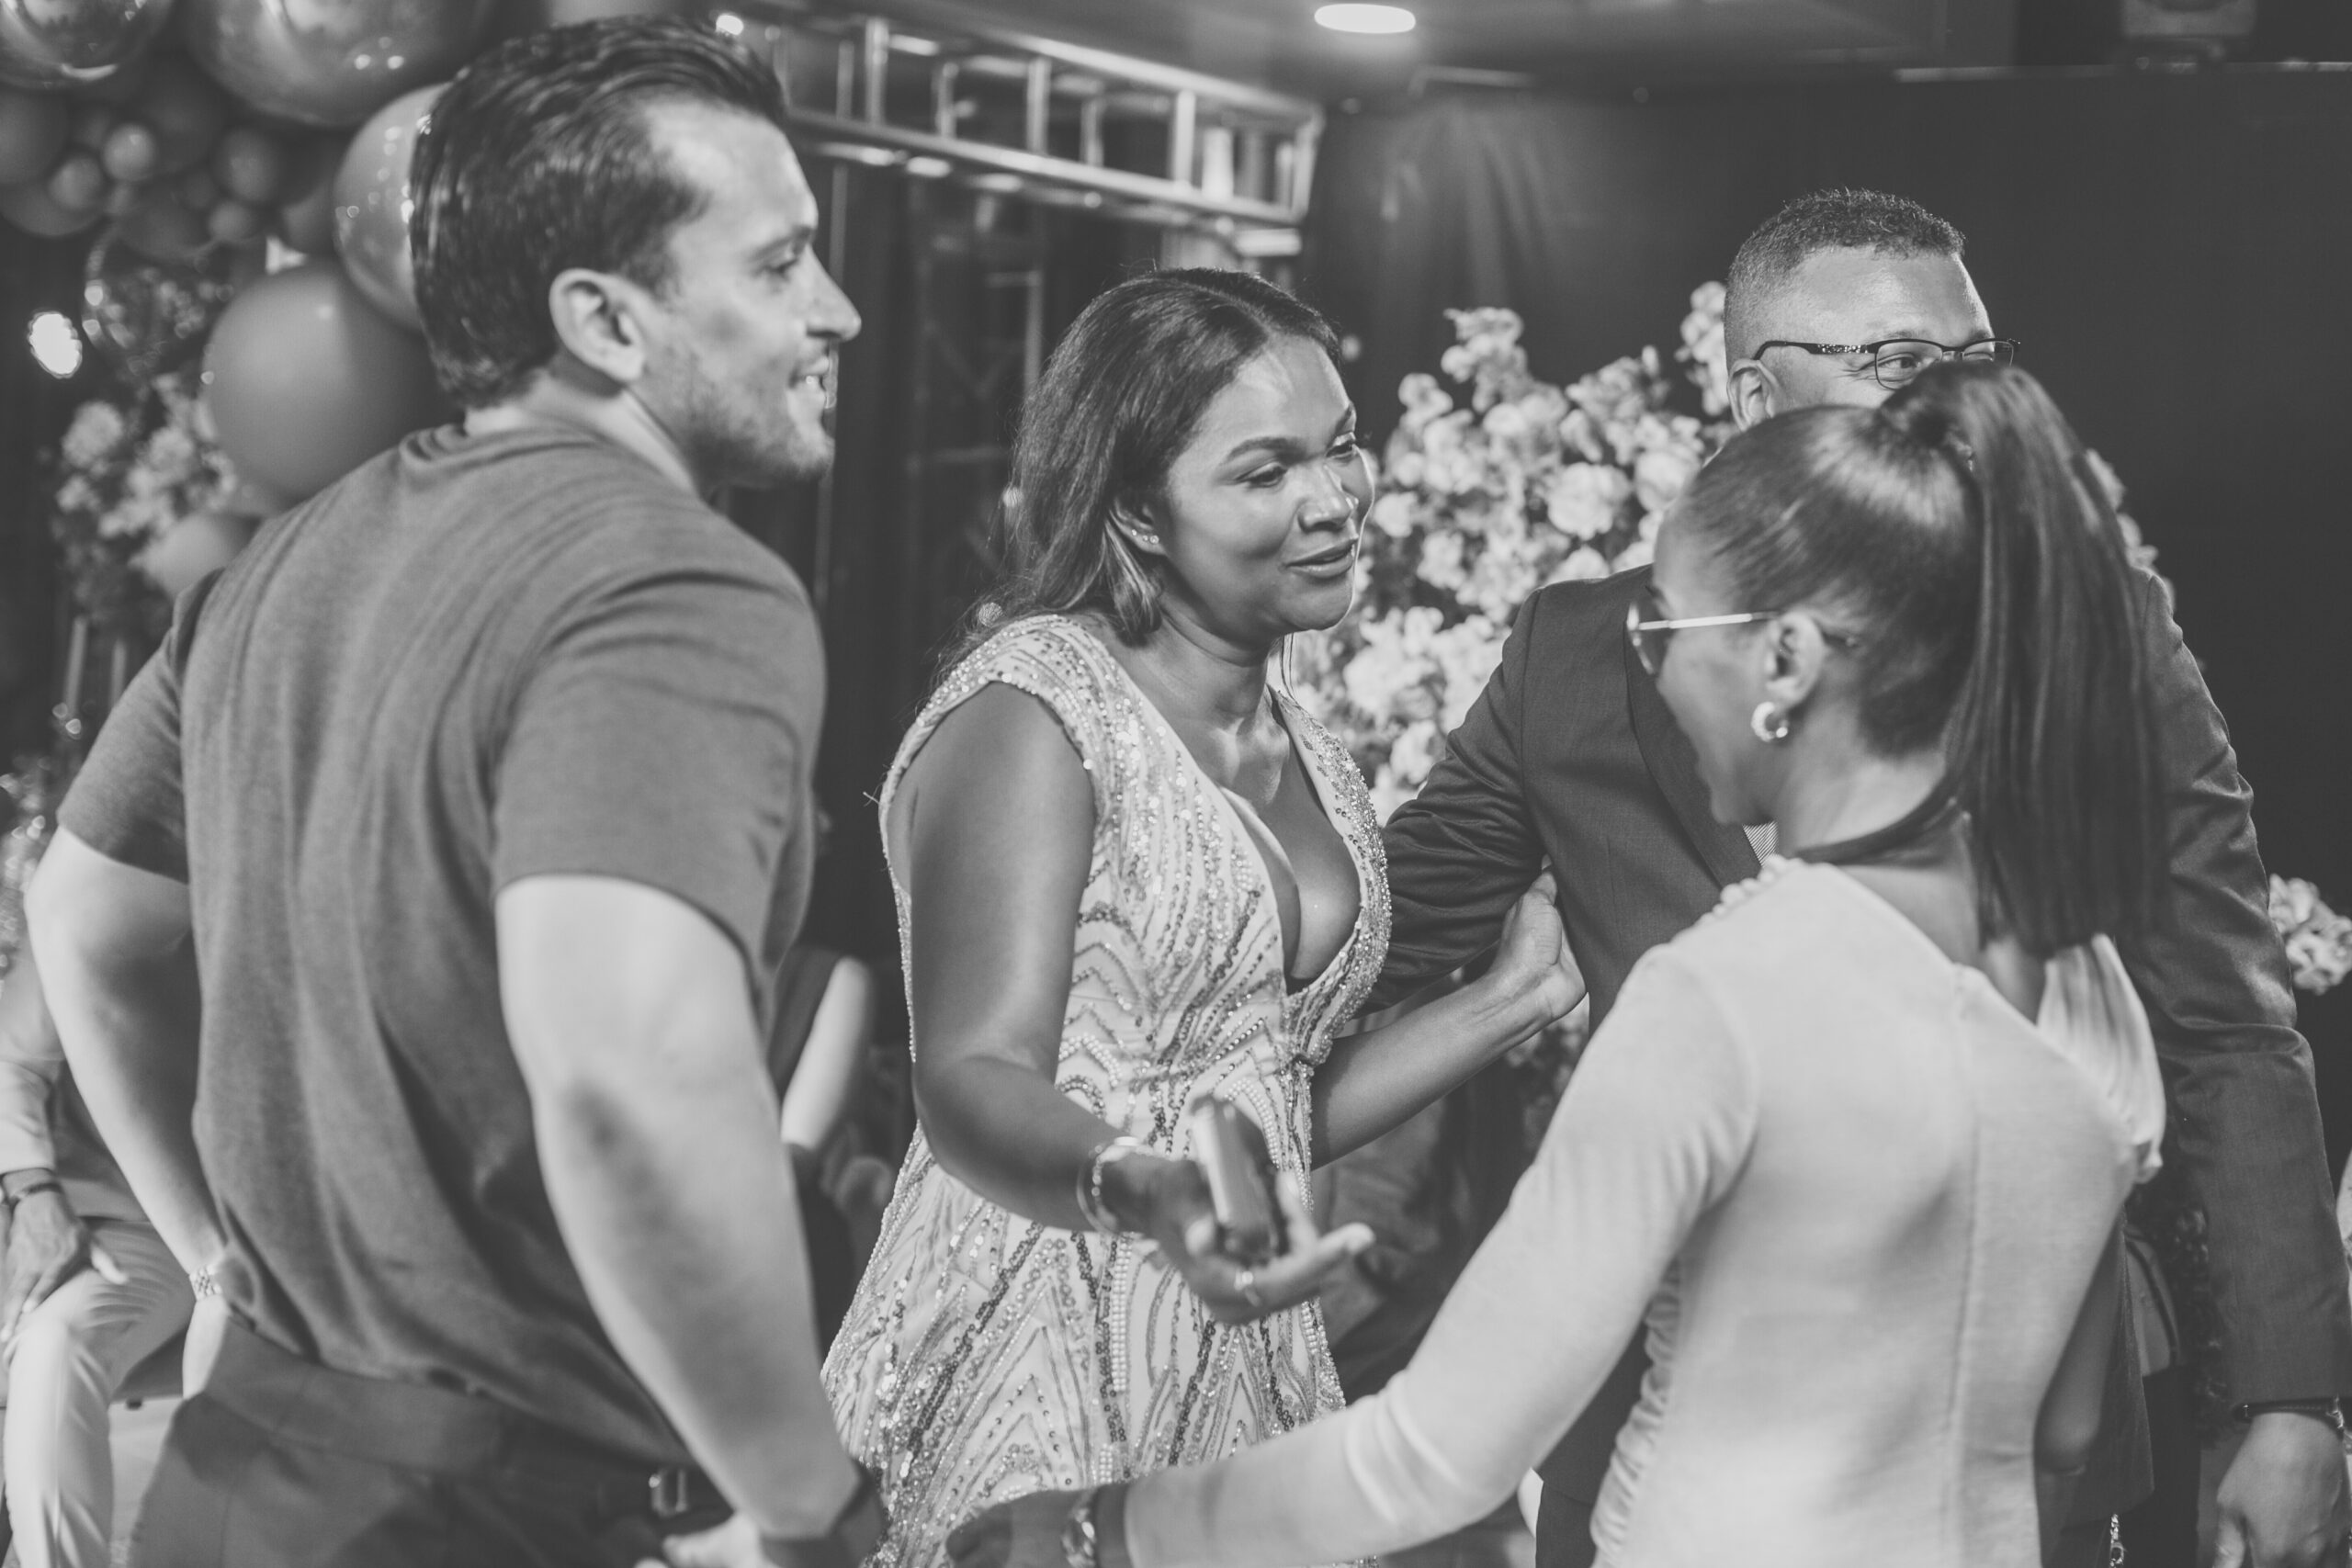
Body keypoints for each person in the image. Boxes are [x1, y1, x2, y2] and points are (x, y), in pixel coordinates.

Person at [945, 357, 2168, 1568]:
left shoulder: (1723, 997)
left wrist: (1107, 1526)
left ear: (1787, 664)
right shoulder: (2089, 977)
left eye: (1666, 628)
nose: (1650, 669)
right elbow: (2063, 1424)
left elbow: (1434, 1455)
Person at [1357, 187, 2352, 1568]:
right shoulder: (1580, 652)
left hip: (2003, 1444)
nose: (1951, 395)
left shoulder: (2092, 629)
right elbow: (1370, 939)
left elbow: (2226, 1015)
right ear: (1757, 394)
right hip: (1660, 1435)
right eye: (1895, 360)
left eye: (1973, 356)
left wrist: (2294, 1398)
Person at [26, 18, 873, 1566]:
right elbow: (628, 1083)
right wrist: (805, 1502)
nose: (840, 308)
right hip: (489, 1512)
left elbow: (81, 913)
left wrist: (216, 1260)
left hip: (236, 1480)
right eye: (779, 264)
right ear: (604, 319)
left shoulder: (280, 562)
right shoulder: (675, 582)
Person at [818, 268, 1582, 1568]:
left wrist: (1510, 999)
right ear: (1138, 509)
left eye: (1340, 445)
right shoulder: (1035, 710)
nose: (1333, 498)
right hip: (1035, 1343)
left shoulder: (1308, 746)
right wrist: (1157, 1193)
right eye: (1266, 470)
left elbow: (1266, 1102)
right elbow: (970, 1074)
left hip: (1242, 1344)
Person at [0, 952, 191, 1567]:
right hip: (39, 1205)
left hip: (160, 1224)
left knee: (56, 1343)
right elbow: (12, 1060)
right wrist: (32, 1193)